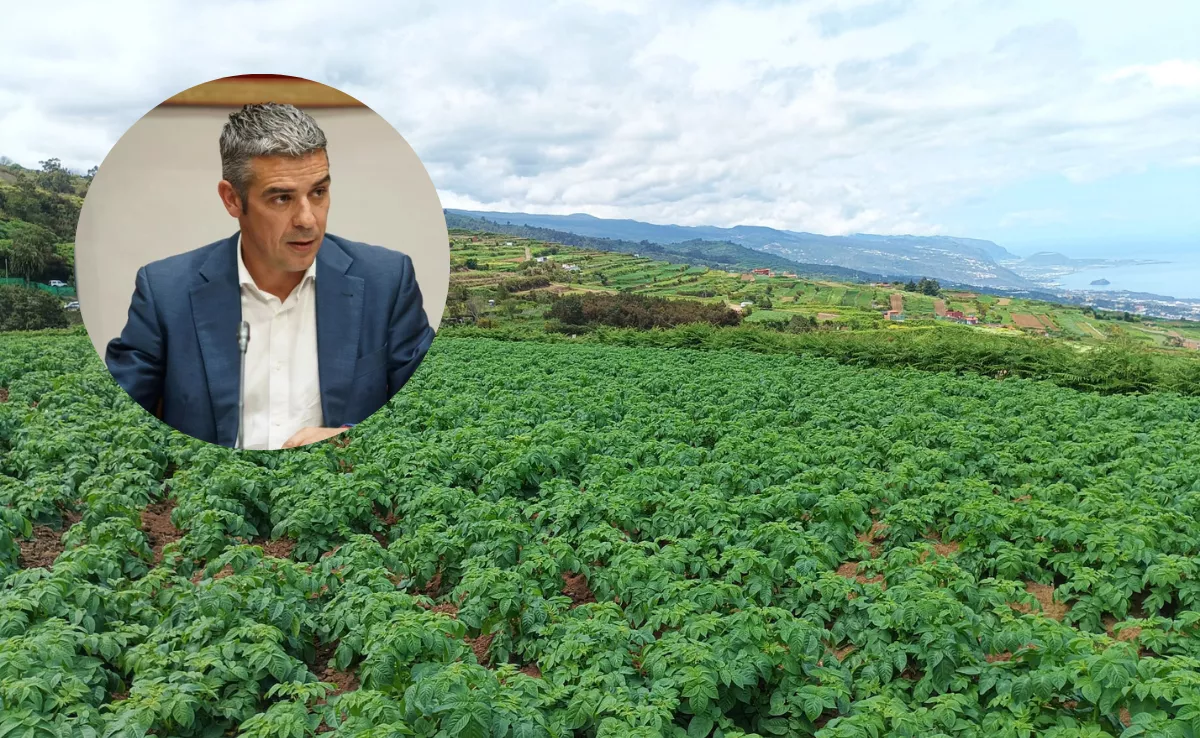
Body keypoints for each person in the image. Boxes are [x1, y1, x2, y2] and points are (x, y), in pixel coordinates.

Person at [105, 103, 435, 450]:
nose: (308, 219)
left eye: (319, 192)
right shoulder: (164, 291)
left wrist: (356, 439)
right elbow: (114, 421)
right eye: (282, 198)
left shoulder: (387, 280)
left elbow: (431, 411)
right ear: (232, 200)